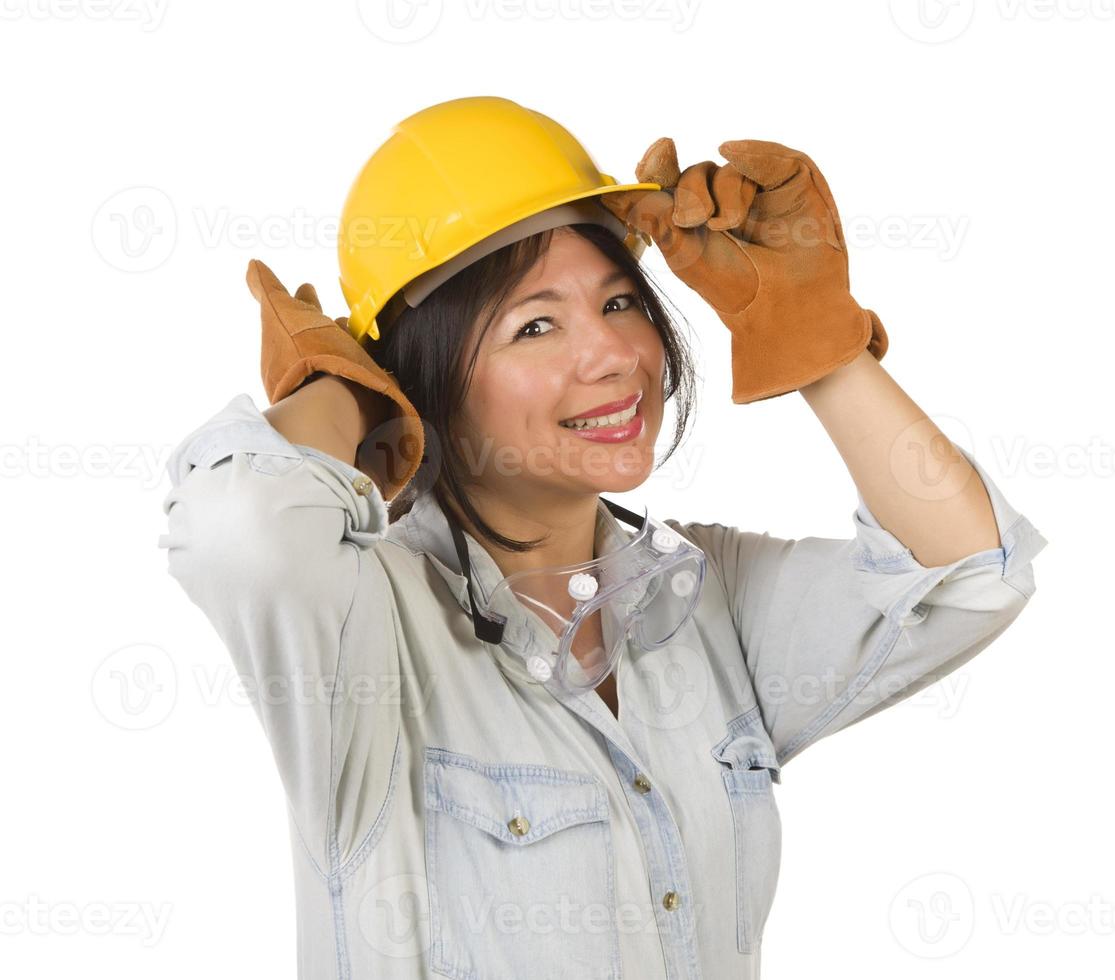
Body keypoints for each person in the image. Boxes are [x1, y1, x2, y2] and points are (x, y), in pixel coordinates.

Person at [158, 96, 1047, 980]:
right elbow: (238, 530)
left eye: (620, 301)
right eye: (534, 324)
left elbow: (970, 572)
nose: (615, 354)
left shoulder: (705, 599)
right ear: (417, 377)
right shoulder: (360, 627)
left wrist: (816, 337)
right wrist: (342, 390)